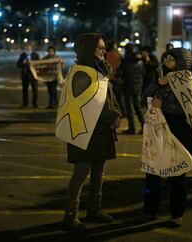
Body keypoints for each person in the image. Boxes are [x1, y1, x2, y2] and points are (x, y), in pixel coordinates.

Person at [62, 33, 122, 230]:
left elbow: (108, 96)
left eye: (104, 47)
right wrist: (112, 116)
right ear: (88, 49)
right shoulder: (82, 72)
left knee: (99, 172)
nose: (104, 51)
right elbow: (91, 100)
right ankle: (71, 215)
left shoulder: (99, 69)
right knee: (81, 172)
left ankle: (94, 210)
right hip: (85, 131)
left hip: (101, 131)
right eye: (100, 48)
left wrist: (117, 113)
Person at [140, 48, 192, 227]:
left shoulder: (187, 82)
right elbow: (143, 98)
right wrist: (159, 84)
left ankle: (177, 213)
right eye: (166, 57)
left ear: (182, 62)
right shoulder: (159, 77)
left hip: (177, 133)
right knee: (152, 173)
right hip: (156, 132)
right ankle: (150, 210)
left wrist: (163, 104)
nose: (167, 61)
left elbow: (188, 109)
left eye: (171, 59)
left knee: (177, 176)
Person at [116, 43, 144, 134]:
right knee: (138, 107)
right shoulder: (140, 61)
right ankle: (144, 126)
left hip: (128, 86)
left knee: (129, 108)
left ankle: (132, 128)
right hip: (138, 86)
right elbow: (143, 73)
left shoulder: (125, 61)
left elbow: (120, 73)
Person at [105, 40, 125, 116]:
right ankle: (121, 112)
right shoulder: (118, 55)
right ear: (113, 47)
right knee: (118, 97)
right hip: (116, 79)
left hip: (108, 79)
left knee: (109, 98)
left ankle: (112, 112)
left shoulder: (105, 55)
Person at [17, 43, 40, 108]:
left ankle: (35, 103)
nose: (28, 49)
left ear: (31, 49)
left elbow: (39, 64)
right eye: (26, 48)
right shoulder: (23, 55)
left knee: (35, 90)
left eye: (29, 48)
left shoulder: (35, 55)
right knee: (25, 91)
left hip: (34, 76)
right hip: (25, 75)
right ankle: (25, 103)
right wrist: (23, 63)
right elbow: (18, 64)